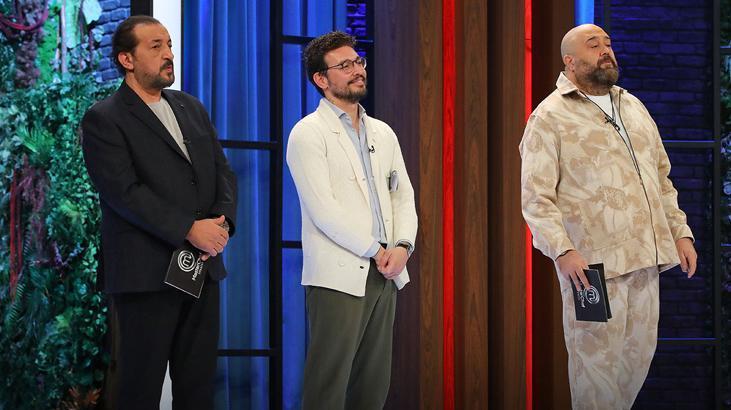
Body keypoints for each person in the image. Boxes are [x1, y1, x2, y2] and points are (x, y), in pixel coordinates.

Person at [520, 24, 697, 409]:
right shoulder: (549, 117)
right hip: (592, 269)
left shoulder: (632, 107)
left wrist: (680, 232)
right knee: (595, 370)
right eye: (593, 45)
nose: (605, 50)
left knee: (634, 365)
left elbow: (661, 178)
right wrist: (562, 250)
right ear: (570, 61)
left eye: (607, 43)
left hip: (645, 259)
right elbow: (536, 197)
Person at [81, 15, 237, 409]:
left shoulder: (191, 107)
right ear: (127, 59)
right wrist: (189, 228)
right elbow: (124, 193)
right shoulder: (105, 117)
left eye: (169, 45)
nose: (169, 54)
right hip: (145, 275)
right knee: (139, 389)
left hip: (201, 268)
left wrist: (222, 225)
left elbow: (222, 172)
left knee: (198, 387)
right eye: (156, 47)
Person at [286, 31, 418, 409]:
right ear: (321, 79)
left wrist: (403, 246)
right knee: (328, 384)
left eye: (358, 62)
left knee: (373, 385)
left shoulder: (383, 132)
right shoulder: (307, 133)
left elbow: (403, 196)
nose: (358, 70)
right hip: (339, 272)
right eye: (344, 65)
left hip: (387, 270)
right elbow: (323, 210)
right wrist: (376, 249)